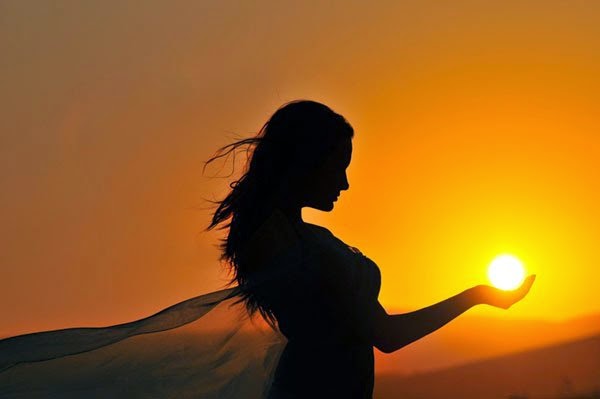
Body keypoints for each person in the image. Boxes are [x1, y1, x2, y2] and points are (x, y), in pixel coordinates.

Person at [0, 100, 535, 398]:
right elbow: (385, 336)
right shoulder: (279, 243)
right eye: (339, 165)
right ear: (306, 161)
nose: (345, 183)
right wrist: (478, 295)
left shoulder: (309, 240)